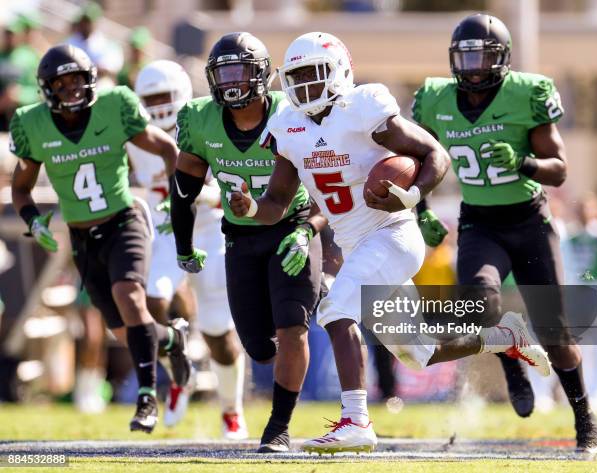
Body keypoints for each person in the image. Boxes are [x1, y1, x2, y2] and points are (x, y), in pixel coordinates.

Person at [229, 31, 551, 455]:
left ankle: (356, 420)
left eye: (314, 73)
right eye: (298, 75)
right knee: (418, 352)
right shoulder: (287, 125)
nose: (305, 85)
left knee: (335, 309)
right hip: (357, 245)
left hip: (393, 235)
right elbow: (276, 202)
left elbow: (436, 154)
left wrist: (414, 195)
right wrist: (250, 209)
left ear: (340, 72)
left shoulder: (362, 109)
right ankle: (505, 336)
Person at [411, 13, 597, 453]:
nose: (474, 66)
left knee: (555, 334)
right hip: (480, 221)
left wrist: (523, 163)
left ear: (502, 58)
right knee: (481, 305)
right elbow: (417, 159)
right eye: (466, 56)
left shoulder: (525, 93)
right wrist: (419, 208)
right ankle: (513, 365)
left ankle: (584, 418)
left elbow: (559, 168)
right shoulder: (435, 98)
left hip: (530, 221)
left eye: (483, 56)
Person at [9, 44, 190, 433]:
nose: (72, 89)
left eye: (78, 79)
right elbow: (21, 189)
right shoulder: (32, 124)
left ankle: (146, 399)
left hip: (124, 221)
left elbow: (167, 148)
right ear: (47, 89)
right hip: (81, 238)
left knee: (130, 297)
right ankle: (172, 341)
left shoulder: (115, 106)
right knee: (125, 330)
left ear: (90, 80)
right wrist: (34, 222)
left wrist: (180, 199)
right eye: (62, 83)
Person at [170, 32, 323, 452]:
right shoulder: (200, 120)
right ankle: (310, 292)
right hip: (240, 235)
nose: (231, 82)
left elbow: (330, 186)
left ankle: (278, 427)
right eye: (223, 73)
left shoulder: (294, 114)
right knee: (257, 347)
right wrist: (183, 247)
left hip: (290, 228)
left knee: (293, 327)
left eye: (240, 70)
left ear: (262, 74)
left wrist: (308, 229)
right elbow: (183, 191)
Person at [126, 59, 248, 438]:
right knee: (151, 299)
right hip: (165, 231)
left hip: (210, 232)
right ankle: (180, 371)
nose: (160, 105)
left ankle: (232, 409)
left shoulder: (202, 123)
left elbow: (230, 184)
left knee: (217, 331)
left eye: (166, 96)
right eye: (152, 98)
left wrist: (196, 196)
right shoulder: (136, 135)